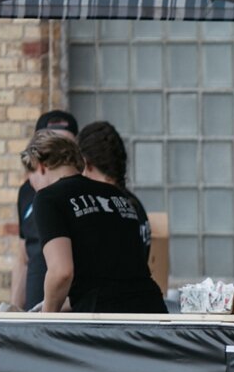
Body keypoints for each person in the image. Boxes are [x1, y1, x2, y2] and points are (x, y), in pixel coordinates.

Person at [34, 121, 166, 314]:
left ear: (85, 163)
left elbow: (63, 273)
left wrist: (46, 319)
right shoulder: (127, 202)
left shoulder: (56, 199)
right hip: (149, 312)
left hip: (106, 324)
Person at [14, 110, 78, 307]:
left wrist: (49, 314)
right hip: (35, 311)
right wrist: (13, 312)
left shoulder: (84, 190)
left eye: (63, 146)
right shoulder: (27, 191)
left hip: (67, 314)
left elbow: (63, 271)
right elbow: (24, 253)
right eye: (49, 146)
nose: (55, 156)